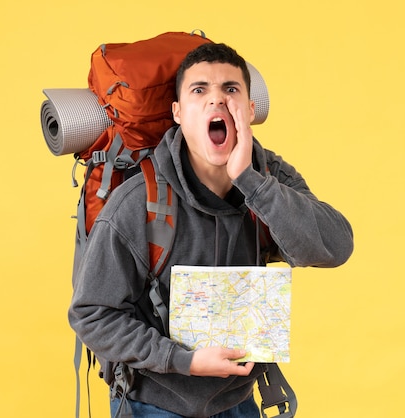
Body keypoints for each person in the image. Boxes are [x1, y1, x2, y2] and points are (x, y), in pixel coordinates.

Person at [68, 42, 354, 418]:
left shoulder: (270, 176)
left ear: (250, 111)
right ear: (179, 113)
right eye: (199, 90)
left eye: (231, 89)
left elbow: (335, 248)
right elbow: (91, 314)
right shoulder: (138, 202)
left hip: (237, 399)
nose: (216, 101)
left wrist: (250, 182)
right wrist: (184, 361)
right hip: (154, 402)